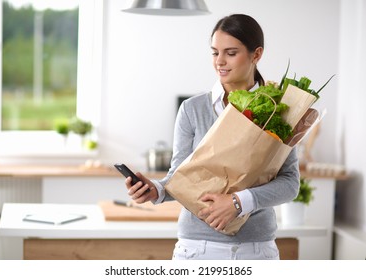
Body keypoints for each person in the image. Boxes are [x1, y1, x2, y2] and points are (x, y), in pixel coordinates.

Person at [124, 14, 300, 260]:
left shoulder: (280, 111)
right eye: (215, 52)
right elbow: (181, 175)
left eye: (230, 53)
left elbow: (290, 183)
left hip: (255, 250)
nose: (220, 61)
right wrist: (156, 190)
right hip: (197, 249)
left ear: (256, 54)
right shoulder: (192, 109)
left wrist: (240, 201)